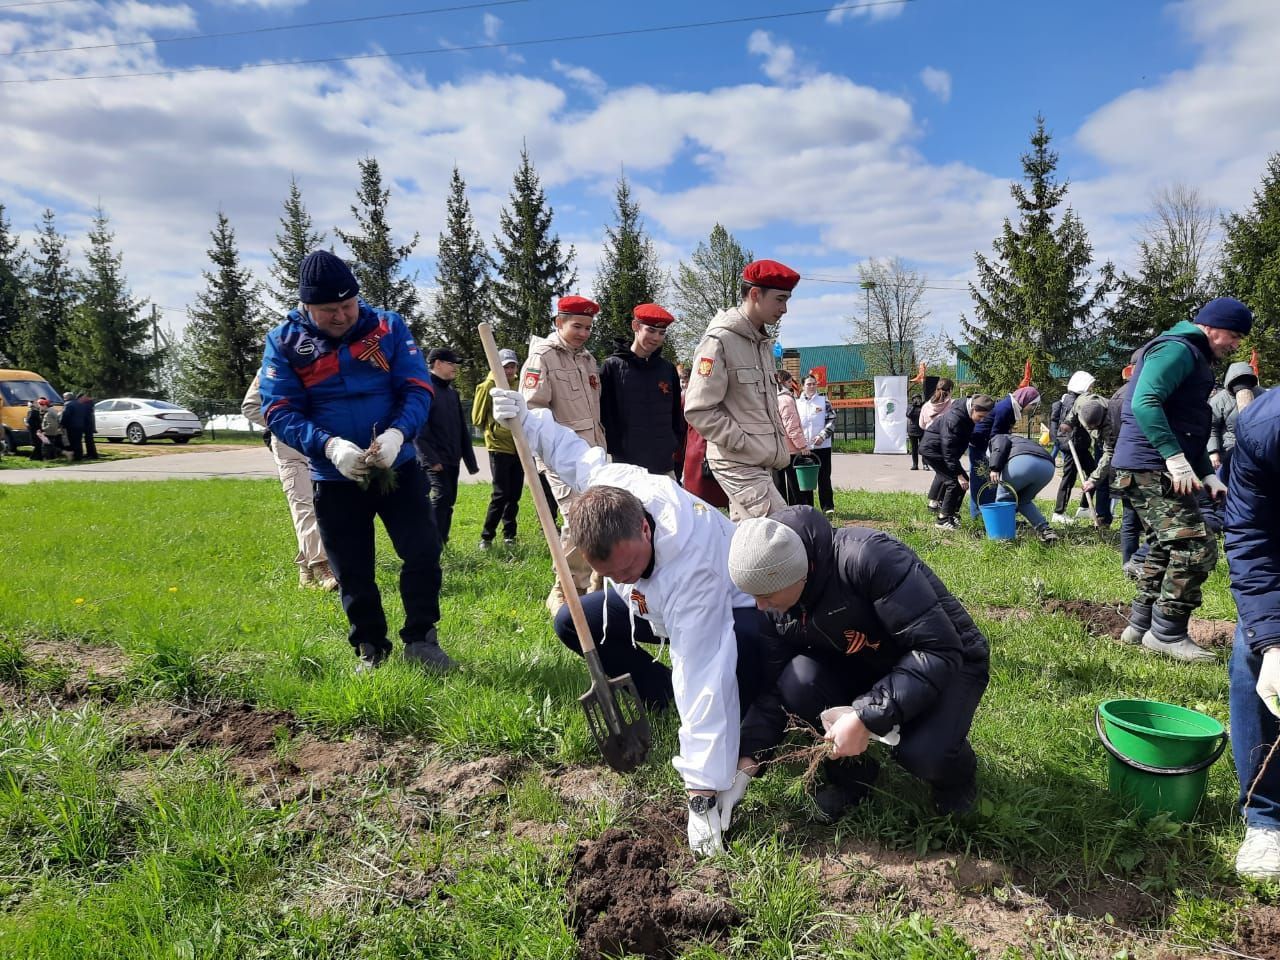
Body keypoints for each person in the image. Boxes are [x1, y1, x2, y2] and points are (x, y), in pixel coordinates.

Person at [489, 385, 775, 857]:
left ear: (645, 527)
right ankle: (660, 695)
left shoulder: (690, 564)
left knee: (732, 657)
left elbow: (702, 670)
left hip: (735, 612)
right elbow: (572, 454)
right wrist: (527, 418)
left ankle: (750, 707)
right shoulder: (612, 487)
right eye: (610, 573)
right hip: (654, 609)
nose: (622, 576)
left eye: (628, 567)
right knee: (573, 617)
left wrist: (702, 791)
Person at [259, 249, 454, 674]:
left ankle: (422, 638)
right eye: (330, 310)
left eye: (349, 305)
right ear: (306, 306)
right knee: (352, 567)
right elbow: (279, 410)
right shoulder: (285, 343)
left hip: (396, 466)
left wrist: (398, 433)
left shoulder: (387, 327)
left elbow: (417, 387)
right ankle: (370, 647)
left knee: (422, 551)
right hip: (334, 474)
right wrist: (329, 447)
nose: (343, 316)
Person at [727, 509, 989, 820]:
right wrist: (747, 762)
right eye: (753, 596)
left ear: (798, 573)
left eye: (766, 595)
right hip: (864, 661)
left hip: (949, 656)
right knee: (798, 680)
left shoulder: (868, 558)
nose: (759, 606)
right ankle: (853, 776)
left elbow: (937, 649)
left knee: (924, 753)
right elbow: (774, 687)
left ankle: (955, 777)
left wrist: (865, 716)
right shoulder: (776, 604)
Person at [1114, 297, 1251, 662]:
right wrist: (1173, 459)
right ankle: (1168, 632)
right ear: (1210, 326)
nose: (1236, 344)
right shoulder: (1176, 350)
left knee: (1165, 544)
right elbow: (1145, 401)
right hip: (1150, 464)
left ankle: (1140, 625)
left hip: (1157, 464)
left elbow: (1187, 424)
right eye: (1233, 336)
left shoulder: (1193, 354)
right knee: (1195, 547)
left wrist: (1207, 474)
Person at [684, 259, 799, 520]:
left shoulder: (761, 344)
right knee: (781, 534)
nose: (784, 309)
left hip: (758, 462)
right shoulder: (719, 341)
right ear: (756, 294)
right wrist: (742, 442)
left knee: (749, 543)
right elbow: (698, 409)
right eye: (780, 299)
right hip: (738, 462)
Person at [1223, 385, 1280, 879]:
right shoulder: (1264, 428)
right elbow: (1251, 534)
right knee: (1253, 649)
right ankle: (1266, 817)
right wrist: (1273, 640)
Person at [520, 295, 606, 614]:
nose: (583, 333)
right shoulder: (542, 356)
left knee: (598, 518)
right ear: (558, 323)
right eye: (576, 326)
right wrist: (555, 449)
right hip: (560, 455)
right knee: (577, 519)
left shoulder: (586, 359)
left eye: (588, 327)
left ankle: (595, 582)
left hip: (593, 454)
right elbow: (532, 409)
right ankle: (565, 589)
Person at [242, 372, 337, 590]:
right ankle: (322, 567)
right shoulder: (272, 368)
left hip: (323, 443)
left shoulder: (322, 362)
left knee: (326, 505)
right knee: (304, 506)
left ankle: (305, 569)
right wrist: (286, 425)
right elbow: (250, 407)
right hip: (289, 448)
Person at [599, 303, 684, 477]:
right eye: (651, 330)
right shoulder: (612, 367)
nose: (656, 338)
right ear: (636, 326)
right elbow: (605, 414)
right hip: (626, 465)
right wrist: (617, 446)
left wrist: (672, 443)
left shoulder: (667, 369)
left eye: (662, 333)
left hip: (663, 464)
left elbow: (676, 413)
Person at [414, 347, 479, 546]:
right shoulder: (425, 390)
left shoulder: (452, 394)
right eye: (451, 364)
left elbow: (461, 429)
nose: (455, 368)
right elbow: (419, 429)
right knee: (440, 497)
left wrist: (469, 460)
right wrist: (431, 460)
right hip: (434, 460)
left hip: (452, 458)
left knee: (448, 501)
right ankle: (429, 541)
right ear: (438, 363)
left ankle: (441, 540)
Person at [918, 394, 995, 529]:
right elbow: (948, 450)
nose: (982, 420)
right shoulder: (954, 419)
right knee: (954, 482)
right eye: (980, 417)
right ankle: (942, 520)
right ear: (974, 409)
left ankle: (951, 514)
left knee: (962, 480)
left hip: (942, 450)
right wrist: (958, 474)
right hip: (933, 451)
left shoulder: (965, 412)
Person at [473, 347, 523, 550]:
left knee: (515, 495)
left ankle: (509, 535)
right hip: (498, 446)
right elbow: (476, 418)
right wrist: (495, 427)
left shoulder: (519, 385)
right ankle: (486, 537)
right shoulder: (487, 386)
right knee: (500, 494)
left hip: (519, 446)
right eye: (505, 366)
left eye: (512, 366)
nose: (509, 371)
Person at [968, 386, 1039, 518]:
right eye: (1033, 404)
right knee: (980, 480)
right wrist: (996, 460)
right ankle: (978, 515)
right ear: (1025, 400)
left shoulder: (1011, 408)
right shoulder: (1005, 408)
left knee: (989, 482)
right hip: (980, 445)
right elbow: (996, 436)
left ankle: (988, 514)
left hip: (987, 445)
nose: (1032, 408)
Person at [986, 430, 1058, 542]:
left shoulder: (997, 437)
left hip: (1022, 463)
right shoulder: (1021, 440)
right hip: (1047, 468)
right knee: (1023, 501)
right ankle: (1045, 530)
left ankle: (1003, 538)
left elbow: (999, 448)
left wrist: (994, 468)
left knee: (1004, 498)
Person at [1051, 370, 1098, 524]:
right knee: (1069, 479)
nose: (1091, 389)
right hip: (1073, 445)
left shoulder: (1075, 398)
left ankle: (1084, 508)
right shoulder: (1073, 401)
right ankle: (1058, 513)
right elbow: (1070, 423)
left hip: (1080, 445)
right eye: (1090, 386)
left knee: (1093, 473)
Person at [1208, 360, 1265, 481]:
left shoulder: (1262, 394)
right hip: (1230, 449)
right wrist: (1213, 452)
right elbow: (1211, 427)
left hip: (1259, 448)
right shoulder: (1219, 400)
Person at [795, 373, 836, 515]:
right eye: (808, 384)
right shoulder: (796, 404)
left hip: (822, 446)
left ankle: (827, 507)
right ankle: (808, 508)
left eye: (814, 384)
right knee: (806, 479)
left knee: (824, 477)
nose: (811, 386)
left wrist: (822, 436)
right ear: (803, 386)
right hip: (804, 448)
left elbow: (832, 421)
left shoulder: (824, 401)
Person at [774, 369, 810, 505]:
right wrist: (802, 445)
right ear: (783, 383)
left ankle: (781, 512)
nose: (791, 384)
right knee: (794, 486)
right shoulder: (786, 400)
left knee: (778, 485)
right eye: (789, 381)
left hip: (776, 448)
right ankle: (796, 512)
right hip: (791, 449)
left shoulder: (772, 399)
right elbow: (791, 426)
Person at [918, 378, 954, 509]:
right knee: (945, 473)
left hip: (928, 441)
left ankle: (935, 501)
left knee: (941, 472)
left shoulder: (927, 405)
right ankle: (935, 502)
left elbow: (921, 425)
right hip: (944, 441)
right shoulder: (952, 404)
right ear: (950, 390)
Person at [60, 389, 86, 460]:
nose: (64, 399)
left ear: (67, 397)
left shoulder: (67, 404)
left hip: (71, 426)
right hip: (80, 425)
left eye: (64, 397)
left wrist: (62, 424)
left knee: (72, 441)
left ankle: (75, 456)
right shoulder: (80, 404)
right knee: (78, 441)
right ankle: (79, 456)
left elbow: (65, 415)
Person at [905, 392, 924, 471]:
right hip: (912, 431)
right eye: (915, 399)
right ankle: (915, 464)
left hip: (922, 429)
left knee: (923, 448)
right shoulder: (910, 406)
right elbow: (908, 415)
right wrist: (913, 406)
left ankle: (925, 464)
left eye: (918, 398)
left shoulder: (924, 406)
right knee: (914, 448)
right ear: (913, 400)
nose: (917, 400)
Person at [78, 393, 98, 459]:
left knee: (89, 441)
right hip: (89, 424)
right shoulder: (89, 404)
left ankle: (92, 455)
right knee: (88, 440)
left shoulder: (87, 404)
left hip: (88, 424)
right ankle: (91, 454)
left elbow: (85, 414)